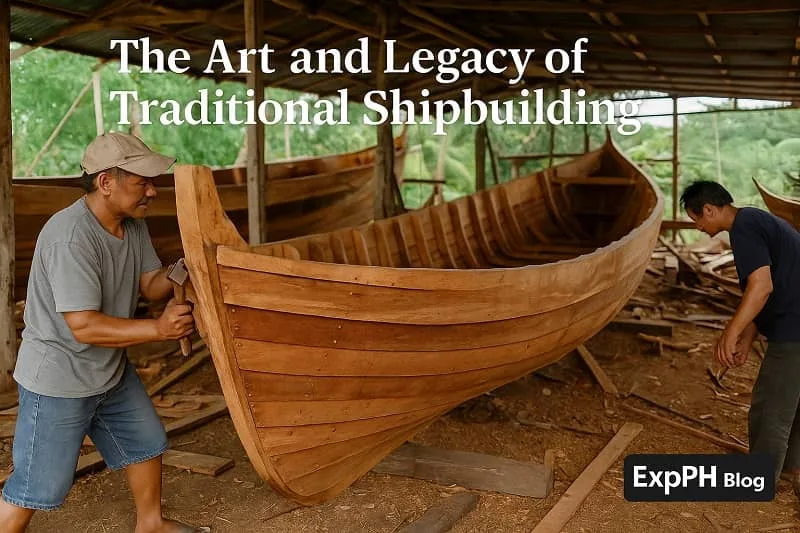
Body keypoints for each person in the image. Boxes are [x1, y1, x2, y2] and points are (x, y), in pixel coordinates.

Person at [0, 132, 209, 533]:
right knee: (34, 486)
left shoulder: (131, 225)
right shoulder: (70, 237)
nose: (152, 190)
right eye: (141, 181)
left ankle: (151, 524)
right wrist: (159, 328)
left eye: (153, 181)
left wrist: (184, 266)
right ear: (106, 182)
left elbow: (150, 284)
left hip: (107, 369)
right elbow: (83, 326)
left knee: (145, 442)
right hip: (59, 379)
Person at [680, 180, 800, 496]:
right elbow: (770, 288)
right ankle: (790, 465)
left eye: (697, 220)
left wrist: (729, 333)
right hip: (793, 321)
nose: (699, 228)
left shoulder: (745, 227)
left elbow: (761, 287)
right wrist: (748, 336)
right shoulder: (755, 221)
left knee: (771, 404)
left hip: (795, 327)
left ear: (709, 209)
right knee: (793, 399)